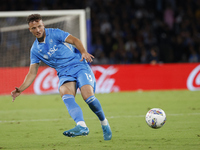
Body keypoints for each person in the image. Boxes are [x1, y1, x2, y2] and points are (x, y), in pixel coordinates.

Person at [11, 14, 112, 140]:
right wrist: (20, 89)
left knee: (88, 97)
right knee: (65, 93)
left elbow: (75, 40)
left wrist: (83, 52)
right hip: (64, 73)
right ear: (30, 30)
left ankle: (104, 123)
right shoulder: (35, 50)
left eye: (39, 26)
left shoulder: (54, 33)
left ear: (43, 25)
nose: (38, 30)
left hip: (78, 65)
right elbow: (32, 73)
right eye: (34, 28)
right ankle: (82, 126)